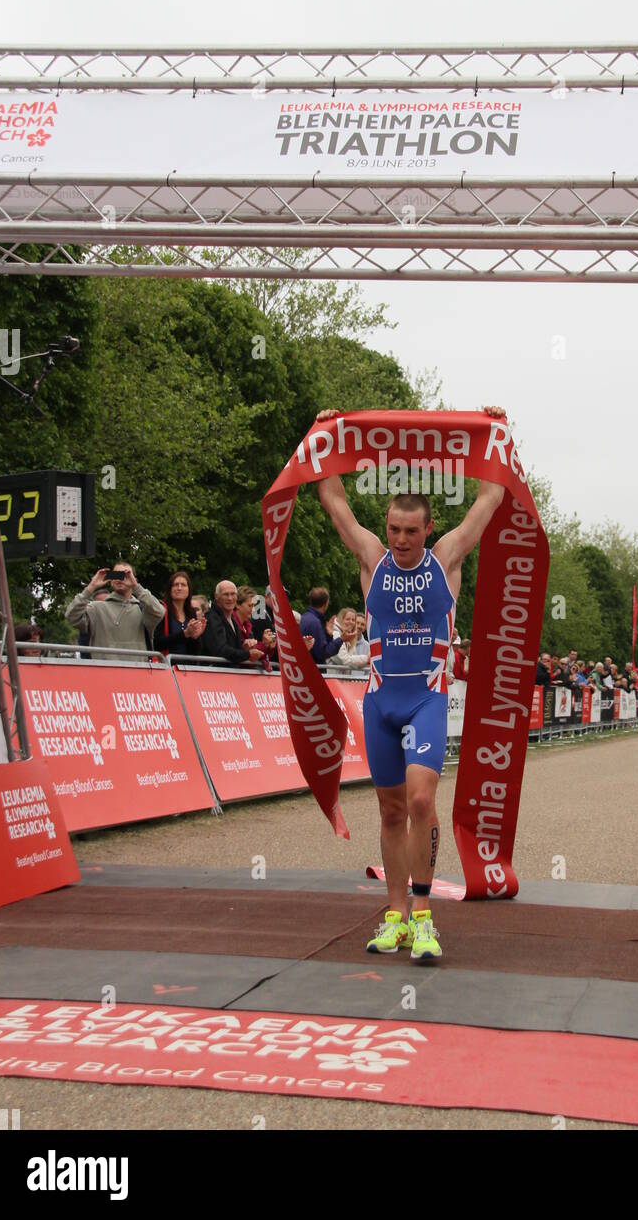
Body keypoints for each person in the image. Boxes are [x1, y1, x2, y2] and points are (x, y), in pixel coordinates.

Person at [314, 404, 507, 962]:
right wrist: (326, 437)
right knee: (391, 811)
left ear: (427, 529)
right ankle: (394, 915)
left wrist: (494, 435)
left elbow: (488, 500)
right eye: (394, 529)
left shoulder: (445, 559)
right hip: (380, 702)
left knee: (422, 800)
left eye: (410, 531)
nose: (400, 539)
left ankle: (424, 916)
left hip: (425, 697)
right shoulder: (373, 559)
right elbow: (334, 502)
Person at [65, 563, 164, 655]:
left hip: (138, 669)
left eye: (126, 575)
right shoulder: (96, 608)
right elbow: (71, 616)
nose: (120, 579)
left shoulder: (142, 609)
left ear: (134, 579)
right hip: (104, 670)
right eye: (116, 575)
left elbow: (159, 611)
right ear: (111, 579)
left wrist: (136, 587)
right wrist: (91, 587)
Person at [202, 581, 266, 667]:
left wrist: (245, 648)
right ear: (216, 596)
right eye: (225, 594)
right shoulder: (212, 618)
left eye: (233, 594)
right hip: (214, 674)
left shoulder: (232, 619)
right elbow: (221, 649)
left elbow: (233, 649)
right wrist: (247, 654)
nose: (230, 598)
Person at [154, 569, 207, 657]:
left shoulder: (191, 612)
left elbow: (195, 652)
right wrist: (185, 633)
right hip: (167, 666)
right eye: (175, 585)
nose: (179, 588)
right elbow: (157, 643)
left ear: (189, 590)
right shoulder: (162, 610)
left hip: (186, 667)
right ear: (169, 589)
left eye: (183, 585)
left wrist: (195, 638)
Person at [299, 587, 344, 666]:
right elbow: (322, 653)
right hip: (313, 672)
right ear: (326, 603)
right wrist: (342, 639)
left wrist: (329, 635)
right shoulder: (315, 623)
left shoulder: (304, 618)